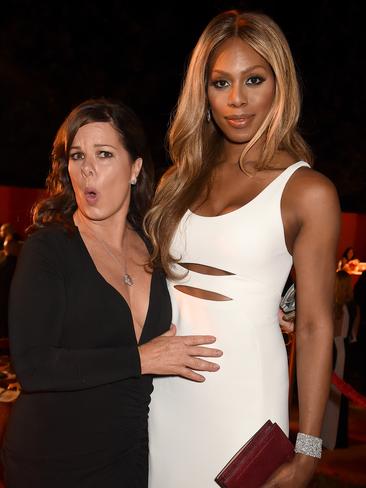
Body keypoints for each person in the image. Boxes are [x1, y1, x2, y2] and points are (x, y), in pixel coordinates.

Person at [145, 10, 340, 487]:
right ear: (202, 91)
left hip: (244, 400)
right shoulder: (177, 182)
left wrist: (308, 450)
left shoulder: (307, 192)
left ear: (280, 84)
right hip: (162, 398)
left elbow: (315, 325)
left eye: (254, 79)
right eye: (220, 83)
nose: (236, 100)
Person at [2, 98, 222, 488]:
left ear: (135, 168)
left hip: (129, 455)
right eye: (76, 155)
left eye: (104, 154)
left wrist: (267, 313)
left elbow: (202, 300)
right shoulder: (48, 249)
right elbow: (34, 367)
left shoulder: (157, 247)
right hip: (52, 460)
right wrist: (141, 358)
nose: (87, 169)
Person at [322, 270, 360, 449]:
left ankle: (327, 439)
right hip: (346, 350)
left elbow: (329, 334)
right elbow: (353, 335)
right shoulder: (354, 308)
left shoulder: (336, 308)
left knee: (329, 394)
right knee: (339, 395)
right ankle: (336, 438)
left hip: (333, 349)